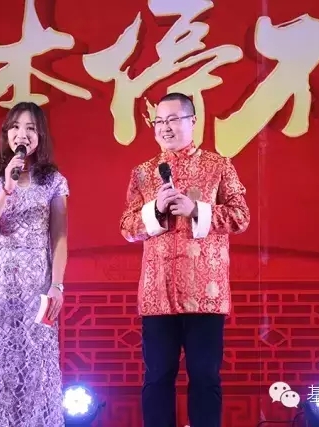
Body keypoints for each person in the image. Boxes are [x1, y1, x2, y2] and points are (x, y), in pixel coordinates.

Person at [119, 93, 250, 427]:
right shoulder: (143, 173)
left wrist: (197, 210)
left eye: (173, 119)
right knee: (157, 377)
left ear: (192, 121)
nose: (165, 127)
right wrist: (155, 210)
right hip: (157, 296)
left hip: (205, 294)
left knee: (205, 377)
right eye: (159, 121)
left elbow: (240, 217)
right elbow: (127, 227)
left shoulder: (218, 166)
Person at [0, 101, 69, 427]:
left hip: (38, 286)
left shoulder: (53, 182)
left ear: (40, 136)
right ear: (6, 134)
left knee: (38, 362)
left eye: (30, 128)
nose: (22, 134)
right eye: (15, 127)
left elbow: (59, 238)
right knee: (2, 361)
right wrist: (6, 189)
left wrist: (57, 285)